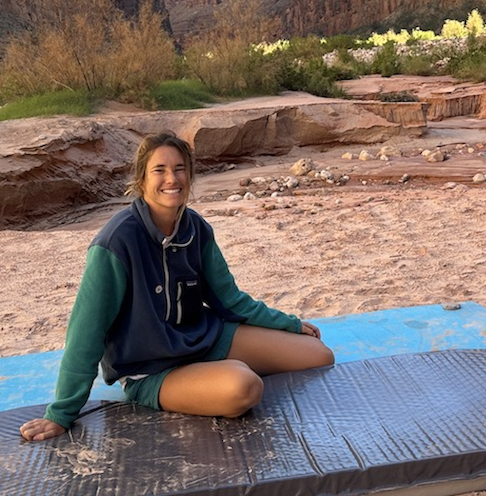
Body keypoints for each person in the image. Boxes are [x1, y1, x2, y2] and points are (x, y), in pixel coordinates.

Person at [20, 132, 335, 441]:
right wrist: (61, 413)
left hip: (203, 340)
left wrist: (289, 324)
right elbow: (85, 333)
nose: (172, 178)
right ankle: (211, 379)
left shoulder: (195, 228)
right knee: (244, 388)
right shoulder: (116, 242)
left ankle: (210, 375)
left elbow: (230, 301)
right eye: (160, 170)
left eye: (179, 169)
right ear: (142, 180)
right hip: (152, 369)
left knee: (318, 355)